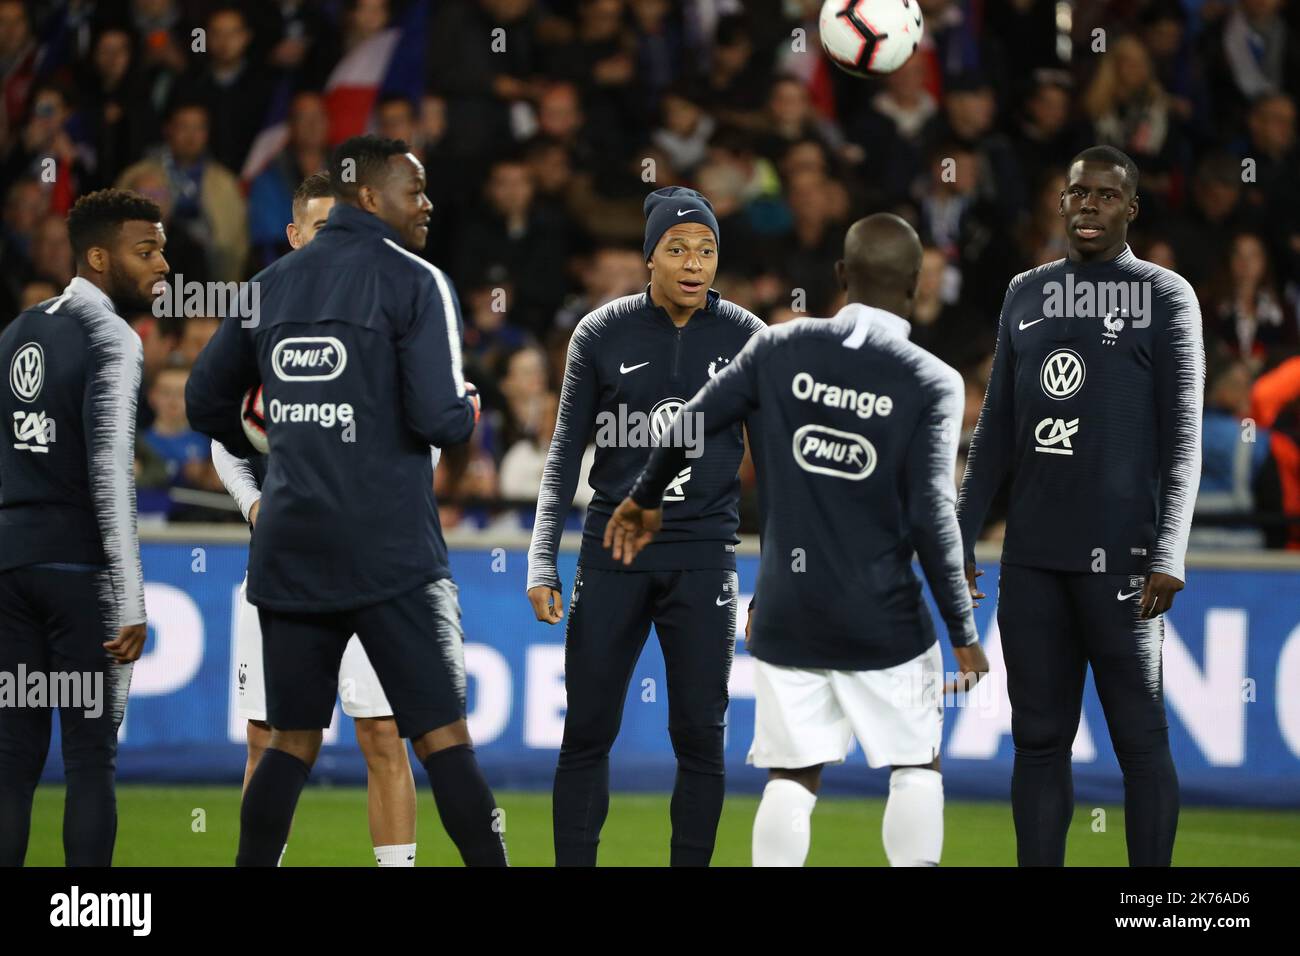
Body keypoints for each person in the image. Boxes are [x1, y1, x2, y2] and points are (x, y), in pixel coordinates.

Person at [604, 214, 988, 867]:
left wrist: (643, 499)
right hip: (885, 616)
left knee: (791, 777)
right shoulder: (932, 379)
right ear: (918, 284)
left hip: (786, 611)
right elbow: (931, 514)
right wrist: (964, 631)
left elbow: (689, 424)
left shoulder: (778, 348)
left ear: (841, 276)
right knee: (916, 765)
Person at [185, 135, 506, 867]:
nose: (427, 204)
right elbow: (438, 419)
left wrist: (296, 436)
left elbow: (206, 401)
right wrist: (466, 409)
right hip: (391, 551)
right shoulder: (416, 281)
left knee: (288, 746)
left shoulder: (270, 283)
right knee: (443, 742)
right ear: (369, 195)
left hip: (291, 550)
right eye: (414, 190)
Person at [957, 146, 1205, 867]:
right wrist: (961, 538)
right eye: (1077, 194)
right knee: (1037, 739)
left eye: (1105, 196)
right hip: (1032, 560)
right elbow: (995, 429)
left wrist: (1170, 553)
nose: (1088, 206)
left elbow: (1183, 440)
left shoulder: (1165, 296)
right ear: (1060, 203)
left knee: (1139, 737)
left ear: (1131, 208)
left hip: (1125, 561)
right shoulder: (1025, 292)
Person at [526, 187, 765, 866]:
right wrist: (542, 561)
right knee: (588, 731)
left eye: (708, 249)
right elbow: (563, 456)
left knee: (700, 737)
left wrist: (772, 576)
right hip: (612, 554)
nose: (695, 263)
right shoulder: (600, 333)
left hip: (705, 559)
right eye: (678, 248)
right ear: (649, 259)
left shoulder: (749, 337)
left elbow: (775, 470)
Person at [212, 171, 422, 867]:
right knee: (266, 736)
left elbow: (424, 426)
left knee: (384, 732)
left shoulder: (385, 315)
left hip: (372, 563)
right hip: (280, 562)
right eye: (323, 228)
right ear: (295, 235)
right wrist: (255, 506)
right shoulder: (263, 312)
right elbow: (224, 432)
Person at [0, 189, 168, 865]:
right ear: (99, 257)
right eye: (146, 250)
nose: (163, 263)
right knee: (90, 759)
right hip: (78, 571)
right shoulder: (113, 337)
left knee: (12, 758)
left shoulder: (16, 332)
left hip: (11, 565)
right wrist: (130, 597)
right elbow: (108, 474)